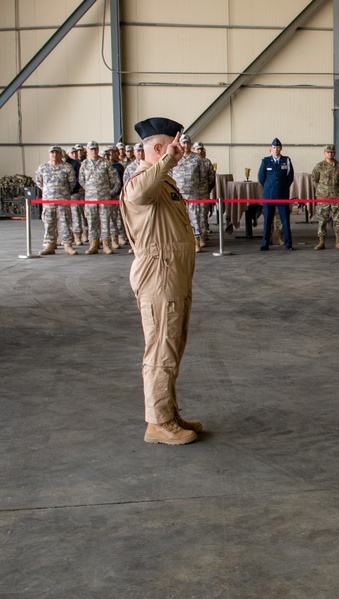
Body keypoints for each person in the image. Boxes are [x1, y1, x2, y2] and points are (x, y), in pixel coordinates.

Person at [120, 117, 201, 445]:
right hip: (159, 278)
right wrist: (168, 158)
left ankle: (168, 411)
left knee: (173, 346)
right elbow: (139, 194)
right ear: (158, 148)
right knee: (161, 350)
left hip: (174, 278)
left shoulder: (164, 182)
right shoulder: (140, 181)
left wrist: (167, 162)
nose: (180, 153)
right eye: (172, 148)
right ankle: (158, 423)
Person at [172, 134, 215, 252]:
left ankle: (197, 240)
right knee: (179, 218)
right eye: (183, 143)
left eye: (187, 143)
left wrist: (198, 188)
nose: (185, 145)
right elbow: (170, 173)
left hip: (194, 194)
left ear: (190, 144)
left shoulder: (197, 159)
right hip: (179, 194)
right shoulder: (175, 157)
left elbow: (205, 177)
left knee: (195, 217)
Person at [78, 140, 122, 254]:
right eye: (91, 149)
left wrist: (108, 191)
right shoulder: (84, 164)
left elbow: (114, 179)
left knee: (105, 221)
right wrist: (90, 189)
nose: (93, 151)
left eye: (95, 149)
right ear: (87, 150)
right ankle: (93, 244)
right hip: (90, 199)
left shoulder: (105, 163)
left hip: (104, 198)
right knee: (92, 222)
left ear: (98, 149)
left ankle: (106, 244)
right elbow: (81, 180)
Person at [34, 146, 78, 256]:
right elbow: (39, 182)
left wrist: (63, 192)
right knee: (49, 223)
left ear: (60, 154)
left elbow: (72, 183)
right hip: (48, 201)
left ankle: (67, 244)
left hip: (63, 200)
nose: (54, 154)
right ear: (49, 154)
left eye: (56, 152)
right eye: (52, 152)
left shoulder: (67, 167)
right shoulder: (43, 167)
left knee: (65, 223)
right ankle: (50, 244)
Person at [258, 138, 295, 250]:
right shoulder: (265, 161)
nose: (276, 150)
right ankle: (265, 243)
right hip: (269, 195)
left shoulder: (286, 160)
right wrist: (270, 186)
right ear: (271, 148)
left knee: (285, 220)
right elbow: (261, 178)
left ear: (281, 148)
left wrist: (283, 187)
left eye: (278, 147)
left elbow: (290, 177)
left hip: (282, 194)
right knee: (267, 221)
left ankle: (288, 243)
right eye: (274, 147)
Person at [311, 145, 339, 250]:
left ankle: (338, 242)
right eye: (328, 152)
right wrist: (321, 190)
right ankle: (321, 242)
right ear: (324, 153)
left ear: (334, 153)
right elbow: (314, 180)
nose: (330, 154)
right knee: (322, 220)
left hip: (336, 196)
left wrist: (338, 190)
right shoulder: (319, 166)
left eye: (332, 152)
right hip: (323, 197)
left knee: (338, 219)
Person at [65, 143, 86, 246]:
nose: (74, 154)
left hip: (76, 193)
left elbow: (78, 179)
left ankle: (79, 235)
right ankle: (68, 237)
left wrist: (72, 189)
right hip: (64, 195)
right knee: (67, 217)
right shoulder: (66, 164)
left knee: (78, 214)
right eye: (72, 152)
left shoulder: (77, 164)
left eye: (76, 152)